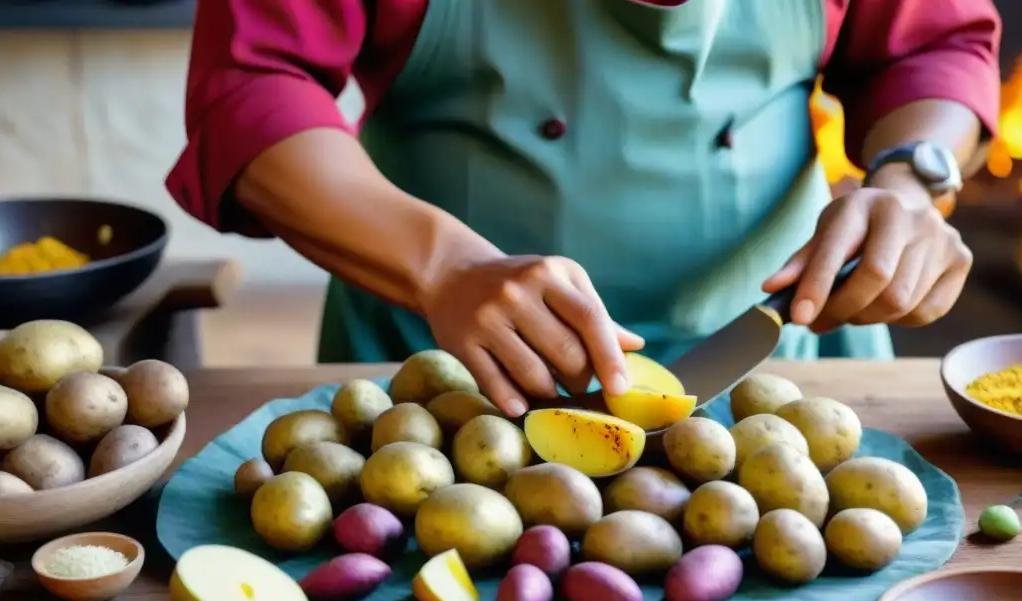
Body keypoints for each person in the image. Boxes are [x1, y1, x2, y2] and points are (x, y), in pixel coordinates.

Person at [167, 0, 1001, 416]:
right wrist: (443, 267)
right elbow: (250, 86)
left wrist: (911, 178)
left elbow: (931, 39)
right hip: (451, 379)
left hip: (790, 363)